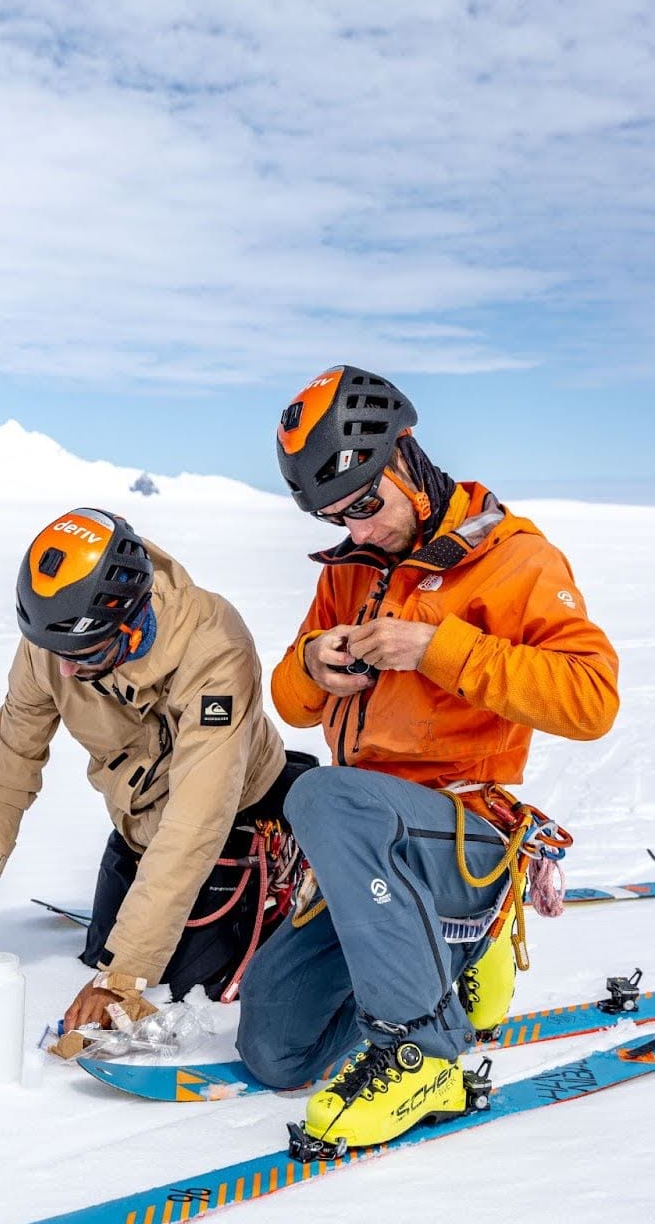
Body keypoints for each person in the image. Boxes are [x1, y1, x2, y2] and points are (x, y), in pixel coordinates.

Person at [236, 365, 619, 1150]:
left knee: (319, 795)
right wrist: (311, 664)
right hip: (372, 852)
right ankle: (451, 955)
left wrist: (439, 648)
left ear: (404, 455)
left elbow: (591, 699)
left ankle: (423, 1050)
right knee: (276, 1051)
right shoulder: (352, 571)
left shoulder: (515, 560)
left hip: (464, 829)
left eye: (367, 506)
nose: (362, 530)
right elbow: (291, 703)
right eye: (341, 517)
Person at [0, 507, 314, 1031]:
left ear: (130, 622)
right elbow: (4, 774)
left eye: (83, 654)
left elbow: (197, 820)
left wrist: (124, 976)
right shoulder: (56, 640)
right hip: (140, 824)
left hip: (230, 821)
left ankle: (295, 877)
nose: (63, 669)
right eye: (55, 650)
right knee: (98, 955)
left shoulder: (217, 649)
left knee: (181, 985)